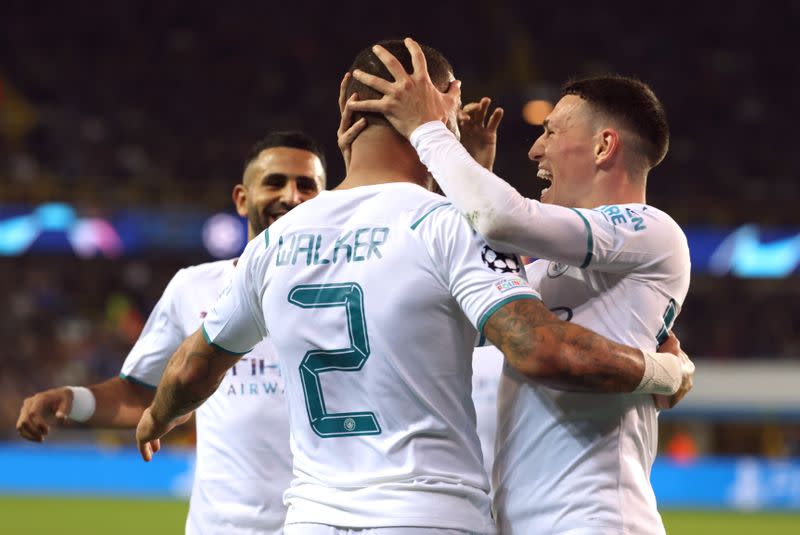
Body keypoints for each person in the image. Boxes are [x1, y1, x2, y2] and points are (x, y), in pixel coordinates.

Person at [135, 40, 692, 535]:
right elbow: (536, 345)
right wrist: (659, 369)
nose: (534, 148)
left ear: (345, 112)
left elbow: (189, 369)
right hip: (427, 513)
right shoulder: (450, 227)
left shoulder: (273, 243)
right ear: (437, 103)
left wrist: (157, 415)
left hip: (311, 515)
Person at [347, 38, 692, 534]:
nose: (535, 148)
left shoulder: (651, 229)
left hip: (597, 521)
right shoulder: (542, 271)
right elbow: (467, 274)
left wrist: (426, 128)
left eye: (550, 131)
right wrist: (471, 171)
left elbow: (500, 216)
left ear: (603, 146)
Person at [16, 130, 327, 534]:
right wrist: (69, 399)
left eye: (307, 185)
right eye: (275, 182)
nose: (292, 195)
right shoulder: (193, 287)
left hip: (322, 524)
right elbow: (143, 392)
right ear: (241, 198)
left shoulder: (352, 291)